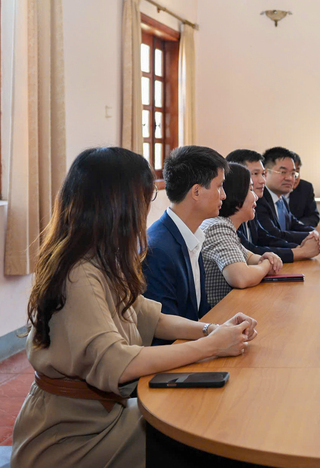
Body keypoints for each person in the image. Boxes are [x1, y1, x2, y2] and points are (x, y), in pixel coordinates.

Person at [11, 147, 258, 468]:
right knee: (209, 434)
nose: (145, 211)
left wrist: (213, 330)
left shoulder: (100, 258)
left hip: (99, 416)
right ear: (120, 205)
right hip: (71, 436)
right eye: (143, 200)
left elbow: (149, 316)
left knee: (206, 417)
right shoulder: (80, 274)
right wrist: (209, 345)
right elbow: (118, 363)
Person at [143, 146, 228, 345]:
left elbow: (199, 313)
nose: (223, 195)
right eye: (219, 186)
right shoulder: (158, 250)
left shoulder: (191, 234)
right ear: (196, 191)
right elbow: (164, 333)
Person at [201, 162, 284, 306]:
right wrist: (265, 266)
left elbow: (247, 256)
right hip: (217, 317)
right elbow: (241, 278)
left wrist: (265, 257)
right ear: (237, 194)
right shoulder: (217, 227)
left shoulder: (225, 226)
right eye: (250, 189)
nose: (256, 197)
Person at [225, 149, 320, 263]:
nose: (262, 180)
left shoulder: (251, 205)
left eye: (263, 174)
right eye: (255, 174)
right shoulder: (227, 214)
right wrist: (300, 252)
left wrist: (299, 247)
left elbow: (265, 238)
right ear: (235, 177)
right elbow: (249, 250)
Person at [261, 146, 320, 245]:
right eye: (283, 172)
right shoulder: (259, 199)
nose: (289, 178)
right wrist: (315, 235)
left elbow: (294, 224)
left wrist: (319, 231)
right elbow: (274, 236)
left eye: (293, 173)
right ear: (265, 173)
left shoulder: (281, 199)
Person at [288, 152, 320, 227]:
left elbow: (313, 216)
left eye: (297, 172)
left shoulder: (305, 188)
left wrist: (298, 225)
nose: (294, 177)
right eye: (290, 173)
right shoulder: (264, 191)